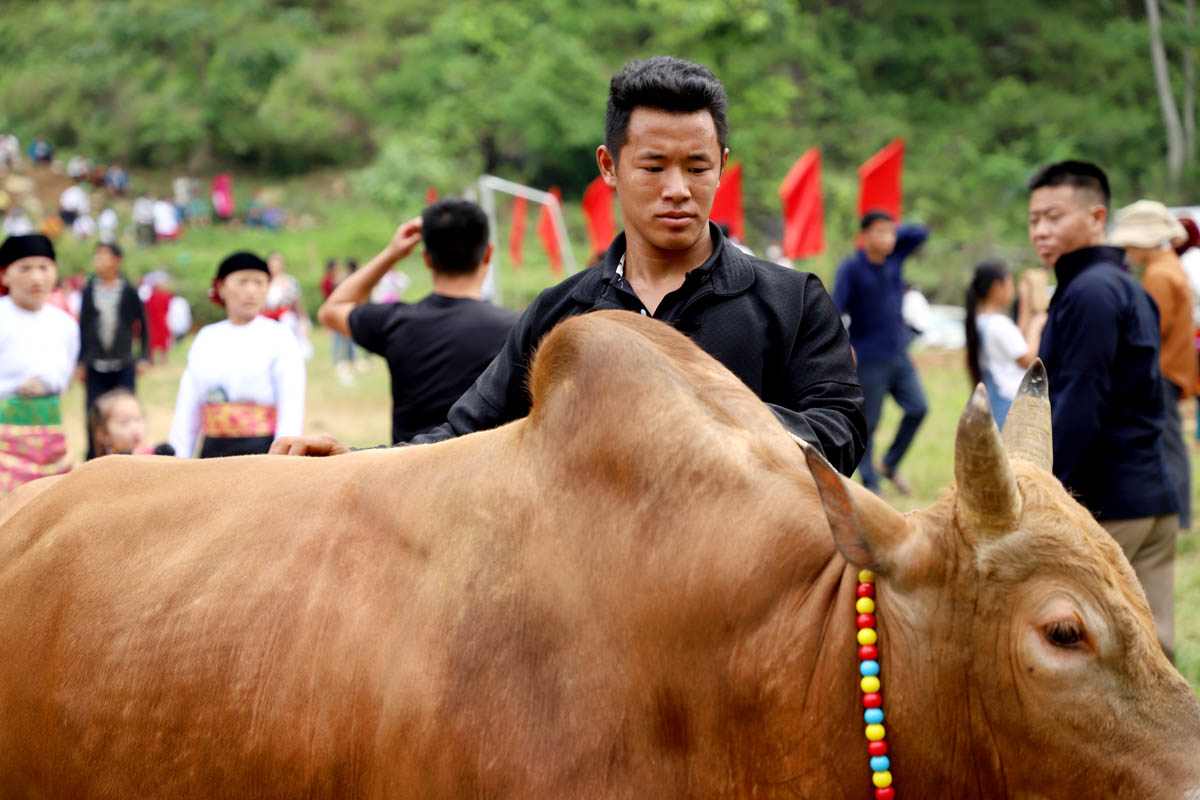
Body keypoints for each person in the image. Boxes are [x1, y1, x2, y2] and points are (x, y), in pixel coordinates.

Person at [273, 56, 866, 474]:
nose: (678, 189)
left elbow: (841, 433)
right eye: (654, 167)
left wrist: (700, 413)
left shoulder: (791, 302)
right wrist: (357, 462)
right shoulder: (562, 312)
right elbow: (465, 437)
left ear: (722, 164)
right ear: (609, 166)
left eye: (698, 166)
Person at [1029, 160, 1179, 659]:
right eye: (1033, 220)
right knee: (1156, 650)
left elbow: (1080, 400)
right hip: (1150, 500)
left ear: (1097, 216)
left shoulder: (1090, 292)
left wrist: (1043, 487)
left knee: (1087, 654)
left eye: (1054, 216)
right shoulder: (1125, 286)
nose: (1042, 230)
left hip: (1107, 504)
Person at [317, 199, 521, 443]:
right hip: (483, 474)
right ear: (488, 253)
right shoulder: (516, 330)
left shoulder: (394, 321)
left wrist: (392, 254)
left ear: (426, 258)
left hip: (407, 472)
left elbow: (330, 310)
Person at [1109, 199, 1196, 534]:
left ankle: (1179, 518)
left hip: (1162, 371)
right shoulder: (1171, 266)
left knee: (1169, 446)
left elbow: (1149, 330)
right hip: (1172, 369)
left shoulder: (1159, 275)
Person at [168, 252, 305, 458]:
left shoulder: (280, 337)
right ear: (221, 288)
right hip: (213, 453)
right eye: (242, 282)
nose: (251, 291)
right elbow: (187, 409)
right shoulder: (206, 338)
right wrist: (177, 460)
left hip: (262, 452)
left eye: (259, 283)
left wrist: (282, 460)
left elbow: (291, 406)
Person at [832, 210, 929, 494]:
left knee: (918, 407)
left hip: (899, 354)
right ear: (863, 237)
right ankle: (871, 484)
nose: (887, 238)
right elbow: (835, 309)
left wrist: (893, 229)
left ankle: (888, 463)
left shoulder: (895, 257)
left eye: (890, 232)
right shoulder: (851, 268)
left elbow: (921, 232)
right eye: (879, 232)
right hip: (868, 357)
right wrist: (842, 344)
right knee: (868, 424)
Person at [0, 234, 78, 494]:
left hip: (51, 444)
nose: (36, 278)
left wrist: (46, 384)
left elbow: (65, 380)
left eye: (44, 268)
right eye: (25, 268)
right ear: (4, 275)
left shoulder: (65, 325)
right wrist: (14, 387)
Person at [78, 242, 149, 460]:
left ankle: (127, 457)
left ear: (117, 261)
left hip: (123, 362)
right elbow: (85, 325)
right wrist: (82, 361)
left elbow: (143, 323)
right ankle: (94, 458)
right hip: (96, 363)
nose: (99, 262)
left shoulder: (128, 290)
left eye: (104, 257)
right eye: (96, 257)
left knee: (126, 412)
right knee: (94, 413)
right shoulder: (90, 290)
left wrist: (144, 356)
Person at [963, 261, 1046, 426]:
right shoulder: (999, 324)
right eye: (1010, 284)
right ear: (996, 287)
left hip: (994, 398)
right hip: (1008, 402)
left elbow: (1016, 340)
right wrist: (1037, 325)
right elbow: (1027, 360)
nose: (1012, 290)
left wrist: (1025, 304)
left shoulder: (982, 320)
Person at [88, 387, 172, 457]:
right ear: (103, 434)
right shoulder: (106, 467)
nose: (135, 428)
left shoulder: (152, 454)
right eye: (124, 422)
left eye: (138, 419)